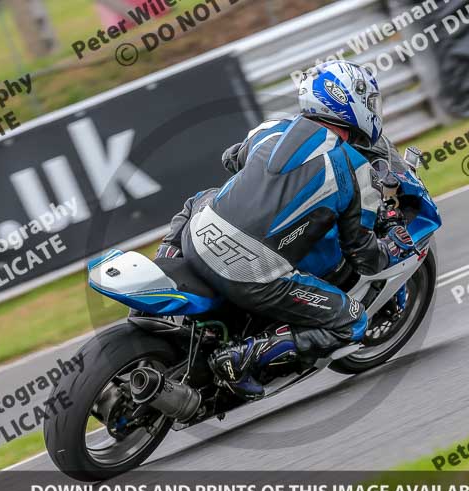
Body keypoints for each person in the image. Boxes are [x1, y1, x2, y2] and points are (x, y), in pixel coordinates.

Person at [156, 60, 414, 399]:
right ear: (350, 104)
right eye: (370, 103)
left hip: (198, 238)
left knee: (203, 198)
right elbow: (364, 257)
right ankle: (238, 357)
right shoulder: (356, 170)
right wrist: (393, 246)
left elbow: (231, 159)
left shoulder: (271, 129)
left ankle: (165, 262)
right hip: (249, 274)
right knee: (353, 320)